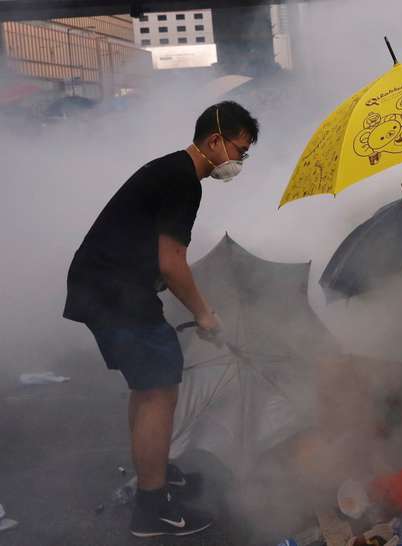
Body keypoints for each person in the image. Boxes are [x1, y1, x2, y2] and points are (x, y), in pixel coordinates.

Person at [63, 101, 259, 538]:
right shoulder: (183, 181)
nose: (240, 161)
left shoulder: (171, 170)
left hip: (106, 286)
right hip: (115, 291)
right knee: (159, 391)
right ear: (215, 140)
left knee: (151, 385)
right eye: (240, 150)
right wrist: (205, 314)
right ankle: (152, 509)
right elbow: (172, 264)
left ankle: (155, 474)